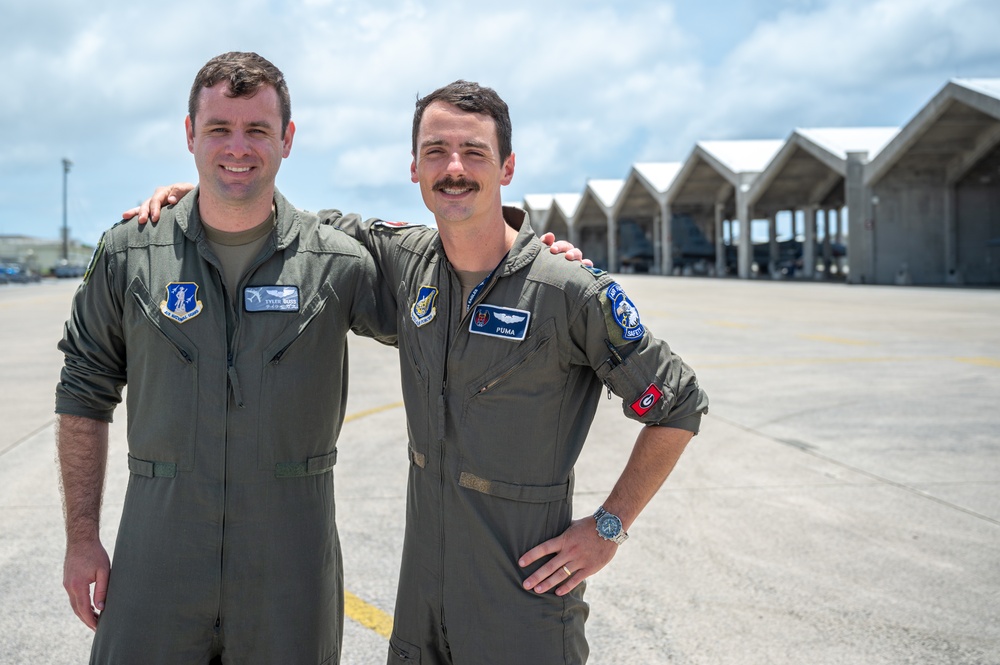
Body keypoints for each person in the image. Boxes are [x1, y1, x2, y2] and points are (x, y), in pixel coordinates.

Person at [136, 80, 709, 664]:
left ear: (507, 167)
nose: (454, 168)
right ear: (414, 168)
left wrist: (608, 528)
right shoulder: (406, 263)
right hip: (421, 609)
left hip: (522, 608)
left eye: (474, 152)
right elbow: (300, 224)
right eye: (436, 151)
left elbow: (679, 405)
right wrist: (209, 194)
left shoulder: (566, 290)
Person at [55, 51, 397, 664]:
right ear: (190, 134)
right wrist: (82, 538)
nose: (238, 147)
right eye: (219, 129)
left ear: (287, 139)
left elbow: (443, 304)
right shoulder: (129, 255)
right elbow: (82, 393)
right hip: (157, 563)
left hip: (290, 571)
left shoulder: (337, 264)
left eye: (257, 130)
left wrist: (531, 249)